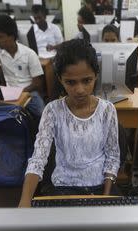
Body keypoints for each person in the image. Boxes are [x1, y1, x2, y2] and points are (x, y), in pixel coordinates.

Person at [19, 39, 120, 207]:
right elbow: (38, 158)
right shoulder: (52, 111)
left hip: (99, 187)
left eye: (86, 80)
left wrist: (105, 197)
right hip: (62, 187)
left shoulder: (107, 110)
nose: (80, 90)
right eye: (71, 82)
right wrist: (25, 200)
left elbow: (113, 156)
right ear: (60, 79)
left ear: (96, 75)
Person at [0, 15, 45, 118]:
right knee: (2, 118)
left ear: (11, 36)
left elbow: (37, 83)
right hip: (9, 94)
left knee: (43, 115)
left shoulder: (29, 53)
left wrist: (19, 92)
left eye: (0, 37)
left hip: (29, 92)